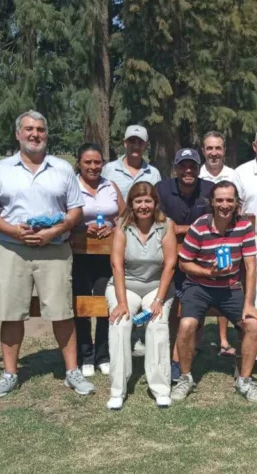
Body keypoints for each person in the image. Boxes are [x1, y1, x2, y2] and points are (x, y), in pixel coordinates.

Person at [0, 110, 94, 398]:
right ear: (18, 134)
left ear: (46, 134)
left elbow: (75, 210)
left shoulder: (62, 169)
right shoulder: (0, 170)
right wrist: (13, 231)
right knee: (10, 313)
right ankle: (9, 374)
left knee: (62, 312)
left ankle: (72, 372)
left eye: (40, 129)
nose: (35, 134)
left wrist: (54, 231)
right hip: (12, 249)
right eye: (29, 129)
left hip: (55, 249)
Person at [170, 181, 257, 403]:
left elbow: (251, 267)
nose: (225, 205)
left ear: (236, 202)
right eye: (219, 200)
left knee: (252, 324)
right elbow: (184, 263)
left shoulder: (244, 226)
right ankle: (185, 378)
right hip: (198, 286)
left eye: (230, 200)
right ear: (211, 202)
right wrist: (208, 272)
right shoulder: (199, 226)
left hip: (230, 288)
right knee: (187, 324)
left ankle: (244, 380)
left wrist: (249, 303)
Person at [105, 182, 177, 410]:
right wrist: (122, 303)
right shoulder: (122, 226)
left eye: (148, 201)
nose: (143, 206)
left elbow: (170, 264)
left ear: (155, 203)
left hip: (157, 287)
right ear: (131, 204)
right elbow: (116, 265)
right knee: (120, 323)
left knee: (157, 324)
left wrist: (158, 301)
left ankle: (161, 388)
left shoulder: (166, 225)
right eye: (138, 201)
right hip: (125, 287)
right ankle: (117, 390)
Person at [102, 124, 162, 356]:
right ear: (125, 143)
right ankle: (111, 345)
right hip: (115, 235)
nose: (136, 145)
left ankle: (138, 338)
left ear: (145, 145)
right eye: (132, 141)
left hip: (143, 237)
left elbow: (155, 205)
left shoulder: (153, 173)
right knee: (117, 283)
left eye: (140, 142)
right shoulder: (109, 169)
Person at [156, 148, 215, 381]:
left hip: (201, 259)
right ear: (175, 168)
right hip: (168, 259)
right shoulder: (162, 189)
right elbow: (157, 222)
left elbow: (216, 222)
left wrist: (179, 228)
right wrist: (191, 228)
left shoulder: (209, 189)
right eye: (183, 166)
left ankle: (186, 353)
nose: (188, 170)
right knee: (171, 308)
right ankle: (172, 354)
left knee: (197, 309)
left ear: (199, 168)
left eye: (192, 166)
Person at [74, 142, 125, 378]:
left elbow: (125, 215)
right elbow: (63, 217)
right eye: (88, 162)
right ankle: (85, 354)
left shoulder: (110, 186)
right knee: (81, 304)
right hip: (79, 254)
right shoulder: (71, 186)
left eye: (97, 162)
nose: (93, 167)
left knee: (105, 303)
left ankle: (103, 355)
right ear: (79, 163)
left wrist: (113, 228)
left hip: (106, 255)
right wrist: (82, 228)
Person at [197, 132, 243, 359]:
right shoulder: (196, 173)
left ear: (224, 150)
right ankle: (195, 341)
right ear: (203, 150)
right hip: (204, 237)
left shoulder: (234, 175)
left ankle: (224, 340)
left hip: (228, 234)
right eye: (209, 148)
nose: (214, 153)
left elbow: (239, 205)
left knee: (225, 282)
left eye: (218, 148)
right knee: (200, 287)